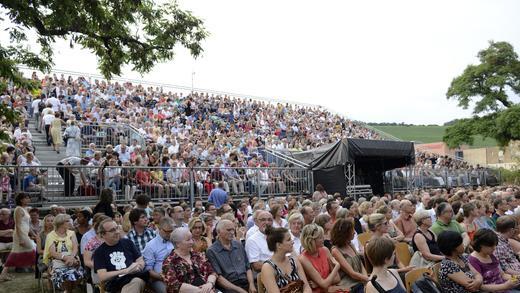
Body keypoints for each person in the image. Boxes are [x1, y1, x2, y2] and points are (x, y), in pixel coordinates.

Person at [93, 219, 149, 293]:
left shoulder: (128, 243)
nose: (117, 232)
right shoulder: (99, 252)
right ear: (103, 234)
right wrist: (125, 271)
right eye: (112, 230)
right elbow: (102, 276)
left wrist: (139, 267)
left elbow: (140, 259)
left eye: (117, 228)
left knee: (135, 282)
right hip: (115, 283)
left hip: (135, 277)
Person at [162, 227, 217, 293]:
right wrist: (202, 291)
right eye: (188, 240)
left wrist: (210, 284)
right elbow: (174, 285)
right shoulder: (169, 262)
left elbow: (212, 272)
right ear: (177, 244)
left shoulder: (198, 255)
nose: (192, 242)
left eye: (191, 239)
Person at [207, 219, 256, 293]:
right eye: (228, 230)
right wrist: (239, 290)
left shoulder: (238, 245)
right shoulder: (212, 251)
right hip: (229, 287)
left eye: (233, 230)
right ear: (218, 232)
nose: (232, 232)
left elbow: (248, 268)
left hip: (246, 282)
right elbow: (219, 278)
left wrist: (251, 284)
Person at [261, 225, 312, 293]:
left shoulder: (294, 261)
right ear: (279, 245)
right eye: (288, 240)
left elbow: (306, 286)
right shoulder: (268, 267)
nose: (292, 242)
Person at [42, 213, 85, 292]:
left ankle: (67, 291)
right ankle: (68, 291)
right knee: (65, 276)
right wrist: (65, 258)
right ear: (61, 223)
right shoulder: (51, 235)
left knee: (79, 274)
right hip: (57, 260)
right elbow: (53, 252)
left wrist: (71, 258)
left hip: (72, 259)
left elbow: (75, 247)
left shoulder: (71, 233)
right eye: (67, 221)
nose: (70, 223)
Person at [468, 228, 520, 293]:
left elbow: (503, 275)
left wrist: (516, 278)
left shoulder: (491, 255)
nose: (494, 248)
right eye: (491, 246)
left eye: (495, 245)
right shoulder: (472, 260)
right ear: (481, 245)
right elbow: (481, 287)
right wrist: (505, 286)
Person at [299, 223, 344, 293]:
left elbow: (337, 278)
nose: (324, 239)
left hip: (330, 289)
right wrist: (337, 266)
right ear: (311, 240)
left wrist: (318, 284)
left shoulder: (325, 250)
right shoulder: (303, 259)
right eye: (320, 237)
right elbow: (324, 285)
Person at [0, 194, 35, 282]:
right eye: (26, 198)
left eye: (28, 197)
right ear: (21, 200)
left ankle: (3, 273)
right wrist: (21, 238)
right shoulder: (18, 209)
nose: (28, 199)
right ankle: (38, 270)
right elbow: (18, 225)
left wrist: (33, 234)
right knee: (33, 249)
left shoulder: (25, 209)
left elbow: (27, 224)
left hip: (24, 234)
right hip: (20, 234)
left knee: (14, 253)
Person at [330, 218, 369, 291]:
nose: (354, 232)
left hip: (361, 281)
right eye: (352, 230)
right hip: (349, 285)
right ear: (344, 233)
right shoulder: (335, 251)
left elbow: (361, 265)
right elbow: (352, 273)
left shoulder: (351, 244)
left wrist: (367, 281)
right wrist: (368, 280)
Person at [142, 217, 175, 293]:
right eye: (167, 231)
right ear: (159, 229)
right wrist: (164, 277)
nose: (170, 234)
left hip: (178, 274)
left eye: (171, 231)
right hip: (159, 278)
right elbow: (148, 270)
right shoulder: (150, 246)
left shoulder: (175, 241)